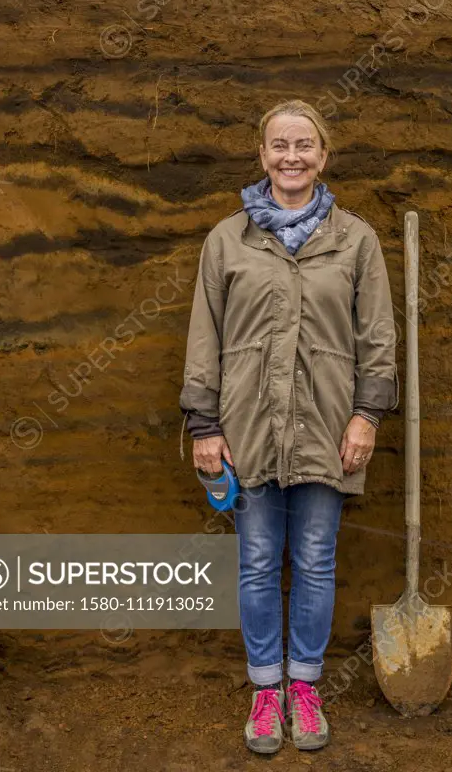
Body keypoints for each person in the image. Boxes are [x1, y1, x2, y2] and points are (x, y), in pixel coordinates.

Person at [179, 99, 398, 754]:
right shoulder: (227, 240)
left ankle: (303, 685)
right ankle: (264, 691)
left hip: (329, 429)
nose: (292, 156)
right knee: (253, 561)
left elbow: (378, 340)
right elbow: (203, 335)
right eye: (279, 145)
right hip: (245, 428)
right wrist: (203, 424)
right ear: (262, 155)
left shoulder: (355, 240)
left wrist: (366, 416)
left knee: (314, 559)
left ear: (323, 156)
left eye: (304, 145)